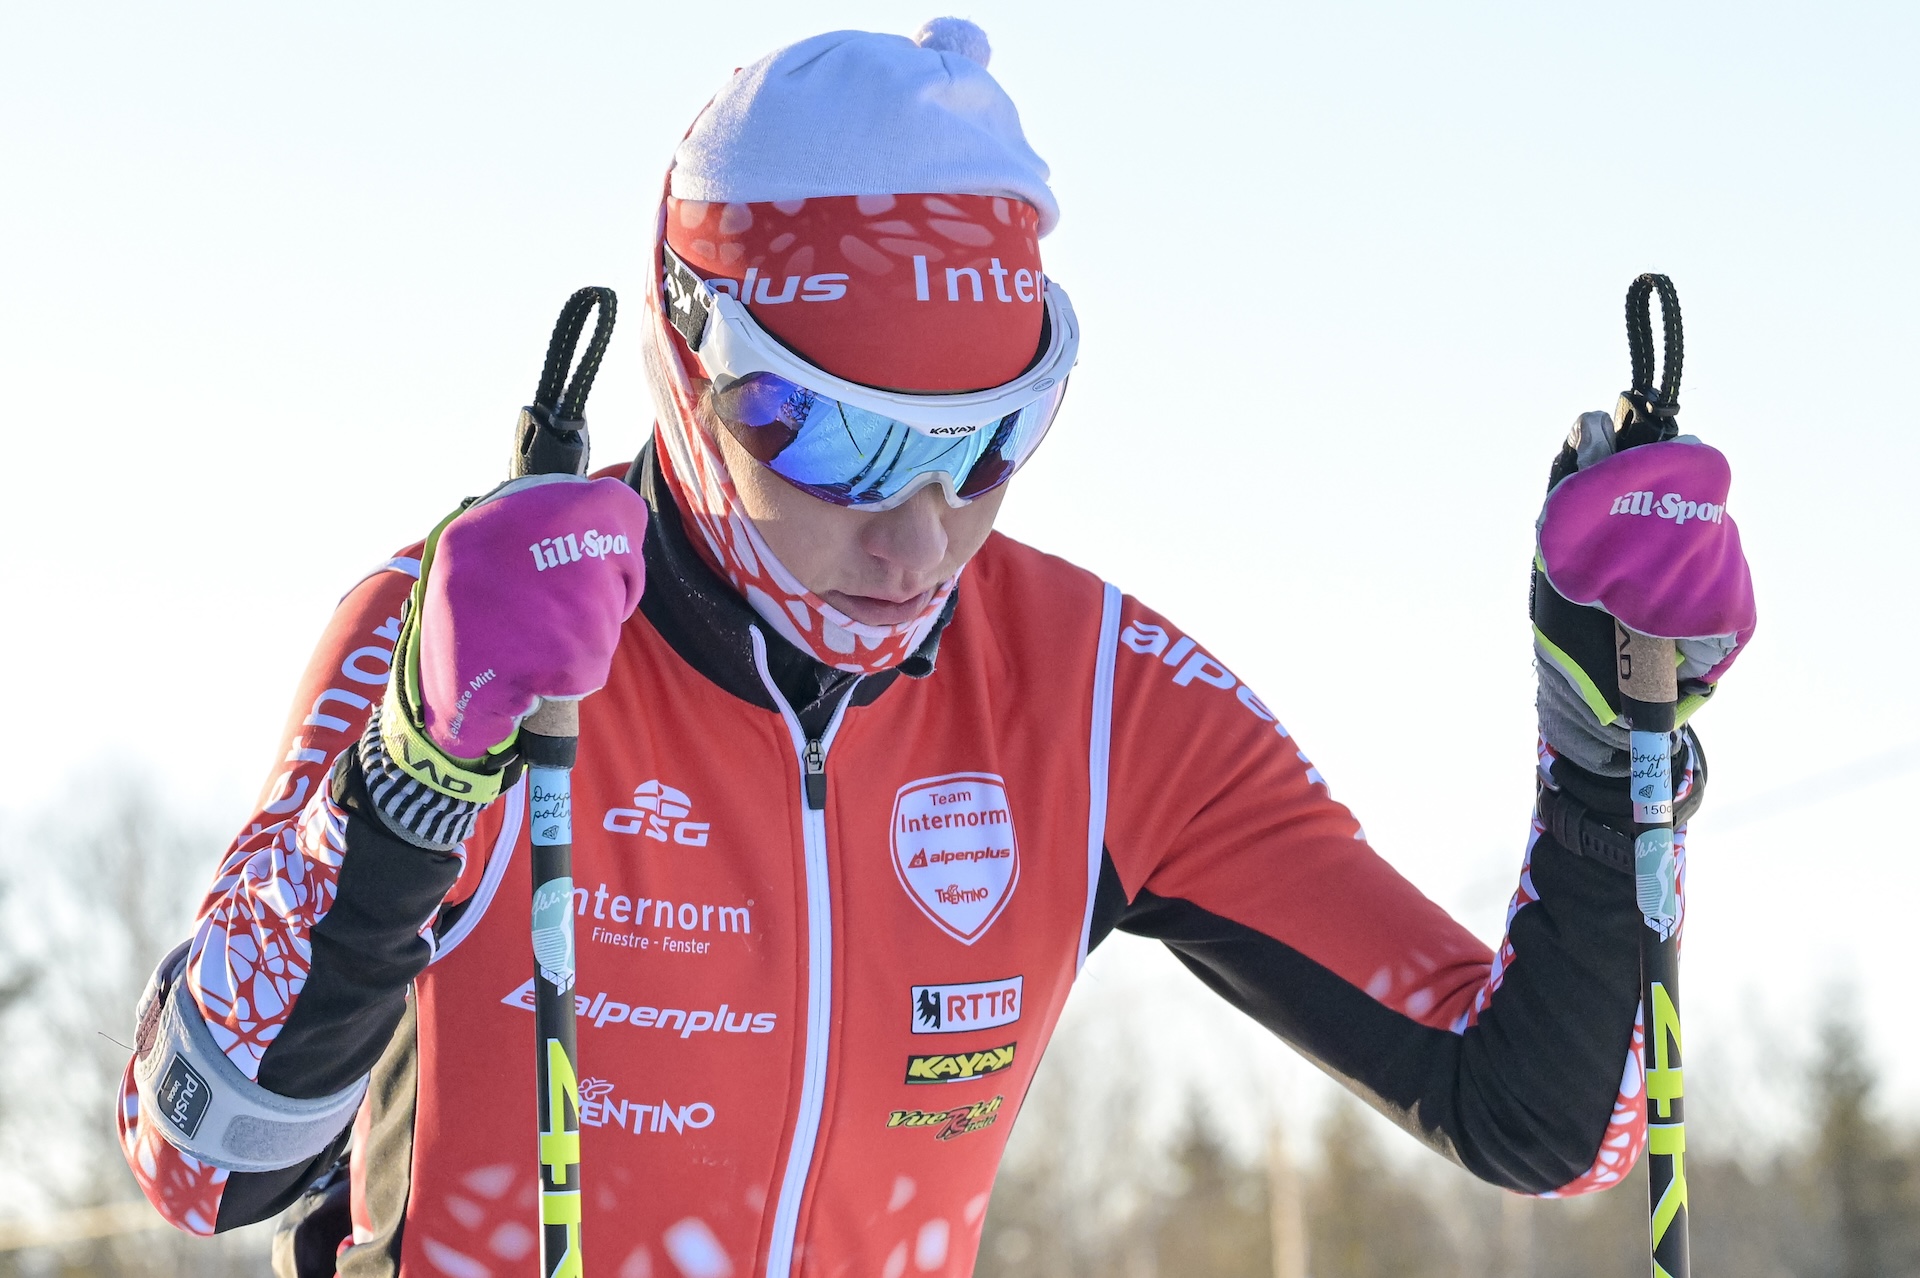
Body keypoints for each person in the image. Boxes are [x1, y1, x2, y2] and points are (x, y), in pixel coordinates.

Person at [116, 18, 1756, 1278]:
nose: (914, 540)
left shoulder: (1093, 697)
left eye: (988, 446)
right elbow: (201, 1157)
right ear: (689, 365)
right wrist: (413, 763)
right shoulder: (476, 636)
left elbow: (1550, 1116)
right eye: (832, 444)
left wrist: (1611, 744)